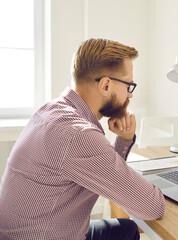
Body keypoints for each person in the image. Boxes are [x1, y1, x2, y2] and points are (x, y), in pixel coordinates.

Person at [0, 38, 165, 240]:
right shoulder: (78, 134)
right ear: (105, 85)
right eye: (129, 85)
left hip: (27, 231)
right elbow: (152, 207)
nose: (130, 95)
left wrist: (124, 139)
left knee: (126, 229)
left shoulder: (52, 110)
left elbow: (107, 177)